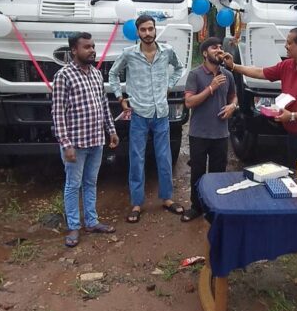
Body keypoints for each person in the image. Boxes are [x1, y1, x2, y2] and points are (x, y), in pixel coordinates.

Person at [109, 14, 185, 223]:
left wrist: (169, 85)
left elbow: (179, 67)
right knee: (137, 158)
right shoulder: (129, 54)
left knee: (164, 157)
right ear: (137, 32)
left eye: (150, 29)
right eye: (143, 30)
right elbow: (113, 74)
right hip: (139, 114)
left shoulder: (167, 51)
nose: (148, 33)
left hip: (161, 114)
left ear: (155, 29)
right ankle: (136, 203)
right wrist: (120, 97)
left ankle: (167, 198)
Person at [222, 27, 297, 168]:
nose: (285, 46)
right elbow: (260, 72)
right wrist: (233, 66)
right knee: (294, 173)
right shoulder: (288, 65)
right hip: (293, 134)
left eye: (289, 43)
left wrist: (292, 116)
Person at [52, 32, 119, 248]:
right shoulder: (64, 75)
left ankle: (91, 222)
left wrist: (111, 130)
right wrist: (66, 144)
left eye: (93, 46)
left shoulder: (96, 74)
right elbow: (58, 113)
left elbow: (103, 105)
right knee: (73, 185)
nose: (92, 50)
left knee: (91, 182)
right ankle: (73, 226)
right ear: (74, 50)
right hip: (75, 144)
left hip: (96, 141)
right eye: (87, 47)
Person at [182, 37, 237, 222]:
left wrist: (232, 106)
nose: (219, 50)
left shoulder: (228, 75)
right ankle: (196, 207)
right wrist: (211, 88)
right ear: (205, 53)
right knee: (197, 172)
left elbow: (234, 97)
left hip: (221, 134)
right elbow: (189, 102)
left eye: (220, 47)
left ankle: (215, 208)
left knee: (218, 174)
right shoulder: (195, 75)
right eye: (214, 47)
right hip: (199, 134)